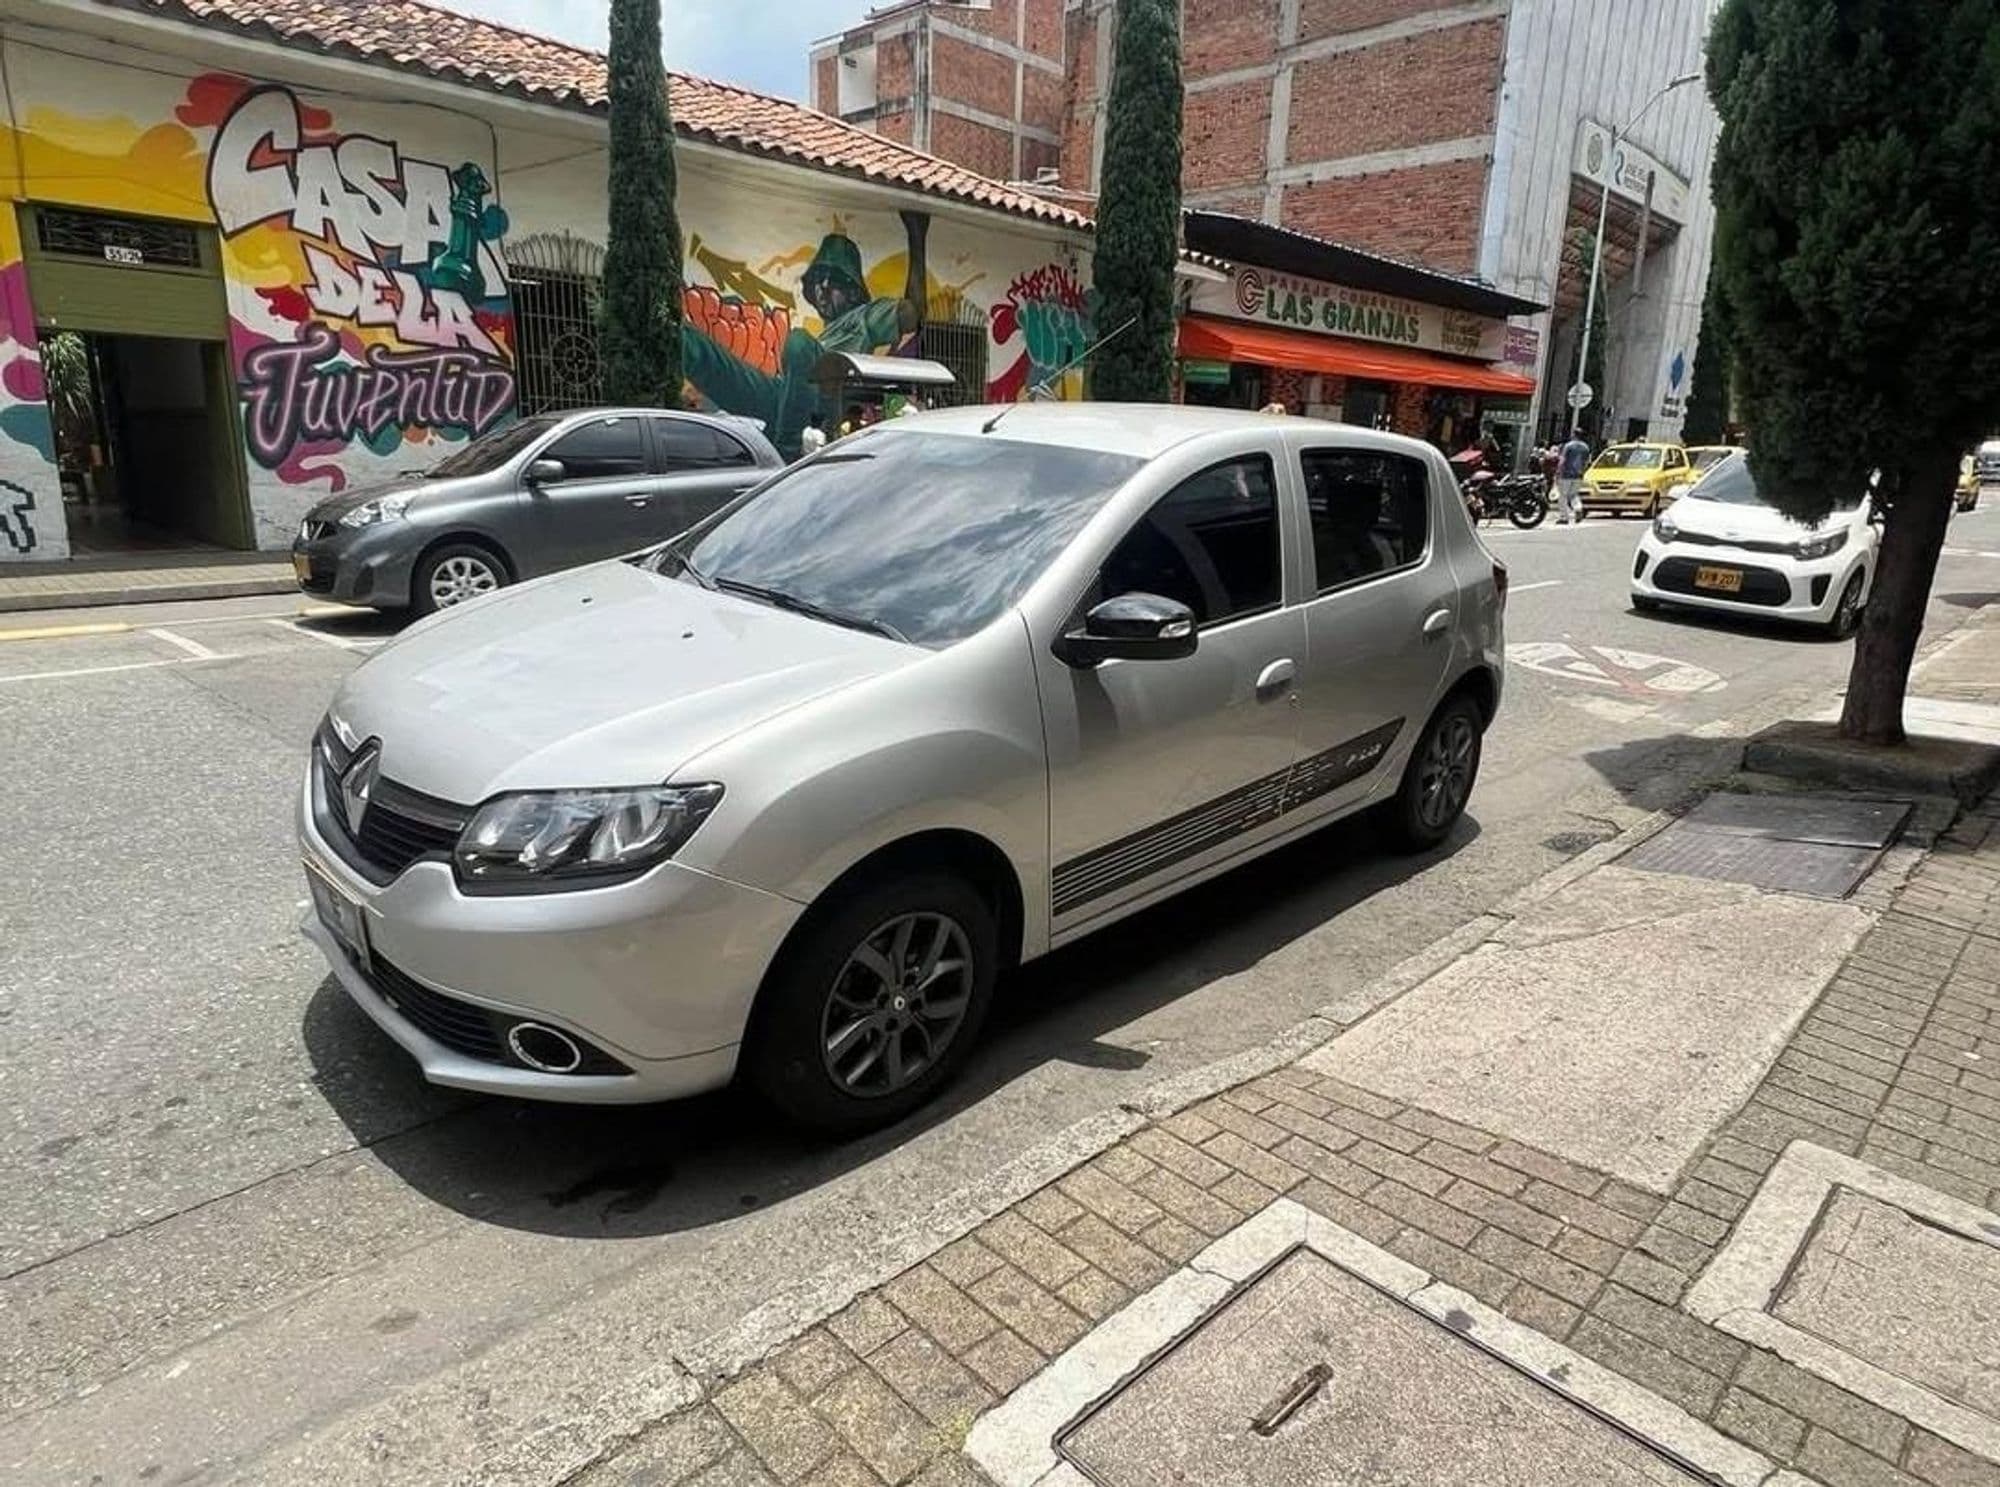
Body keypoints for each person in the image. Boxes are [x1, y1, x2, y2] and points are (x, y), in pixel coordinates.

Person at [1557, 430, 1592, 525]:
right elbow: (1587, 462)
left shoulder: (1568, 446)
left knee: (1563, 496)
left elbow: (1562, 460)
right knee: (1574, 494)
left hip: (1566, 474)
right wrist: (1583, 472)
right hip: (1578, 475)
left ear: (1574, 435)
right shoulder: (1586, 447)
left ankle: (1564, 517)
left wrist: (1558, 471)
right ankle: (1578, 508)